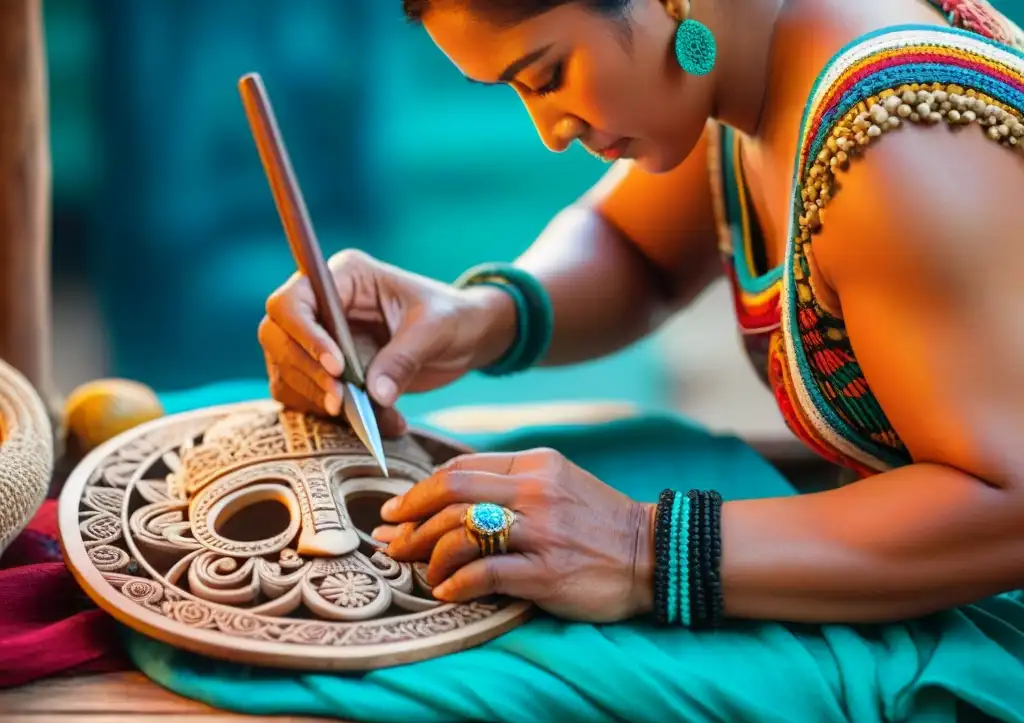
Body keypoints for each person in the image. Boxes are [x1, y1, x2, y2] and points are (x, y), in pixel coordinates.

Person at [258, 0, 1024, 629]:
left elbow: (1008, 504)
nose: (551, 132)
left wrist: (636, 548)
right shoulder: (750, 64)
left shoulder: (893, 151)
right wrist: (477, 314)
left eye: (548, 74)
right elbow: (635, 250)